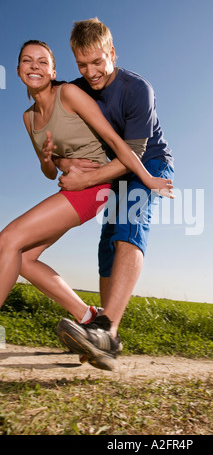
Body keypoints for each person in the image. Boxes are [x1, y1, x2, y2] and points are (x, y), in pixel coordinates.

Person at [0, 40, 173, 346]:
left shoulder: (77, 92)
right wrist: (51, 160)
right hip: (86, 182)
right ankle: (89, 318)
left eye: (43, 61)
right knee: (23, 257)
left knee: (8, 240)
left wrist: (147, 177)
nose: (35, 66)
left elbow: (119, 142)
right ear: (17, 70)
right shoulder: (29, 118)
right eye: (27, 61)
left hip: (114, 175)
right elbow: (51, 170)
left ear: (54, 71)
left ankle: (106, 330)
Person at [56, 18, 175, 371]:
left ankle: (108, 328)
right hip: (114, 172)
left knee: (128, 229)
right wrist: (62, 160)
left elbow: (133, 155)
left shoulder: (138, 89)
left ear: (112, 53)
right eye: (81, 64)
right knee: (106, 245)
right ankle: (101, 337)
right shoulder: (76, 90)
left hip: (148, 165)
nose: (90, 72)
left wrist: (82, 182)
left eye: (97, 62)